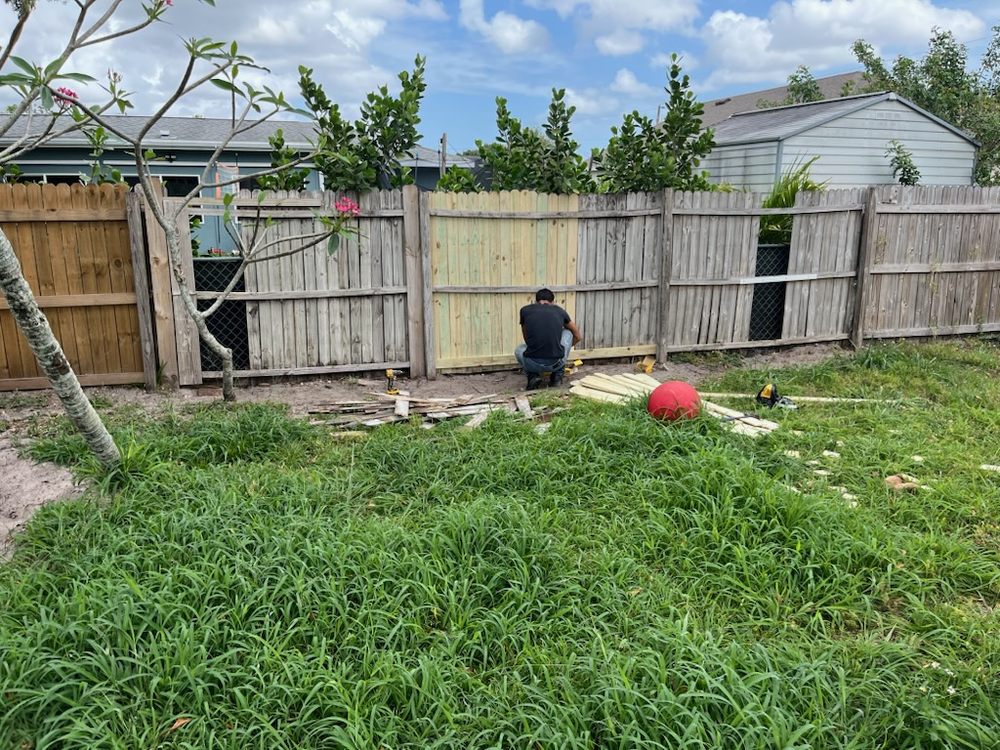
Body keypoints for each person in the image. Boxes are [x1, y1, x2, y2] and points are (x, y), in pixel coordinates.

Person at [515, 288, 582, 390]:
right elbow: (578, 336)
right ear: (553, 302)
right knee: (568, 332)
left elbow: (526, 337)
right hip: (556, 363)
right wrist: (563, 349)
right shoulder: (560, 311)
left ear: (536, 301)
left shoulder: (525, 311)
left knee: (519, 350)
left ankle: (533, 376)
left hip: (531, 363)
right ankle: (557, 376)